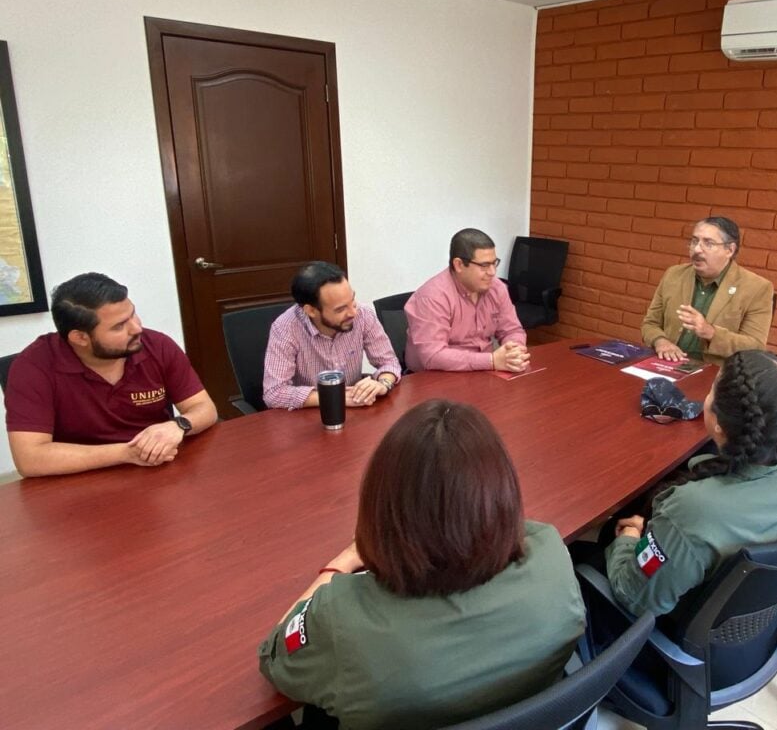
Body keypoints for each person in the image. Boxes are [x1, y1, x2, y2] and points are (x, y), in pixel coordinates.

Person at [258, 399, 585, 729]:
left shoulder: (341, 619)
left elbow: (273, 654)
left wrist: (340, 563)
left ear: (382, 507)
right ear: (501, 492)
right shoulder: (551, 554)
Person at [605, 350, 777, 617]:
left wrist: (630, 539)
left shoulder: (691, 510)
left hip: (682, 620)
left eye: (711, 390)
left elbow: (633, 596)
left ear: (718, 423)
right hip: (761, 613)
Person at [4, 272, 217, 477]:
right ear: (80, 338)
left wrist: (178, 425)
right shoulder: (33, 367)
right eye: (119, 326)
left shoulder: (158, 346)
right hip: (79, 481)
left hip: (158, 469)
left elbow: (204, 409)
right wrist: (127, 453)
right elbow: (30, 459)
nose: (137, 328)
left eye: (132, 314)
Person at [263, 262, 401, 410]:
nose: (353, 313)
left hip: (356, 407)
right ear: (311, 311)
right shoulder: (286, 328)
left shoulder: (363, 314)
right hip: (309, 415)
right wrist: (334, 398)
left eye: (352, 300)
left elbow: (389, 362)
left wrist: (383, 383)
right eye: (340, 309)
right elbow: (274, 393)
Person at [641, 217, 773, 366]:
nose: (697, 249)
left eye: (708, 243)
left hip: (717, 376)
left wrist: (710, 332)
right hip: (667, 366)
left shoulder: (757, 288)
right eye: (694, 241)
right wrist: (660, 341)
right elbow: (650, 324)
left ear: (729, 250)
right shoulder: (674, 275)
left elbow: (755, 347)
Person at [404, 228, 530, 373]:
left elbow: (512, 330)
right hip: (435, 377)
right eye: (484, 265)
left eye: (494, 263)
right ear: (459, 265)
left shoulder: (497, 288)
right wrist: (491, 361)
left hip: (484, 371)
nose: (492, 272)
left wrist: (513, 352)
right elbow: (433, 356)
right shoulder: (432, 297)